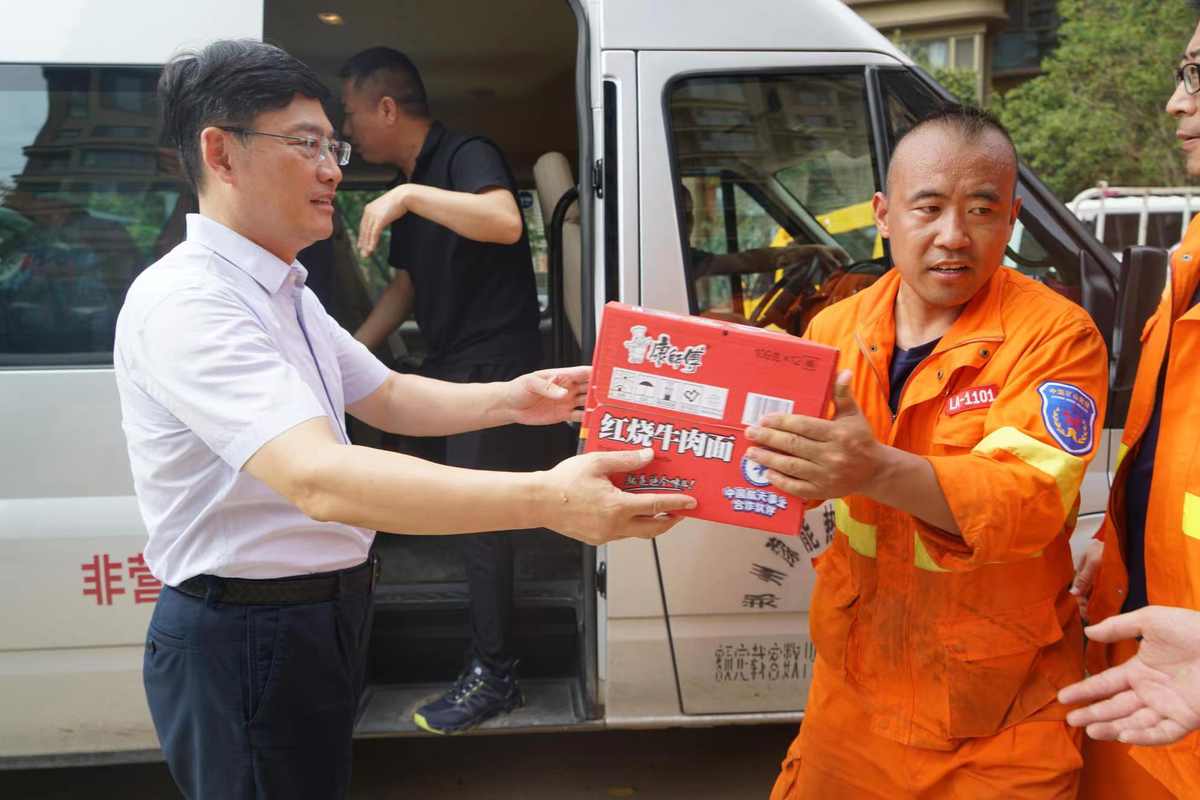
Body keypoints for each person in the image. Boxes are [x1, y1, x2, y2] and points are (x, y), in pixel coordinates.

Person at [113, 39, 693, 800]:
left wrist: (512, 398)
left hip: (317, 618)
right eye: (307, 145)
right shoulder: (191, 303)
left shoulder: (282, 289)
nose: (333, 169)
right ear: (220, 153)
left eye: (334, 144)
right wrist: (548, 499)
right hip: (247, 631)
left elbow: (384, 394)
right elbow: (321, 479)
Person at [750, 105, 1109, 798]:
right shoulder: (834, 327)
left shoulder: (1057, 338)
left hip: (1003, 714)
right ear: (883, 214)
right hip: (851, 697)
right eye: (929, 207)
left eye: (981, 210)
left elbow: (1026, 502)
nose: (954, 236)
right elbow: (795, 468)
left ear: (1012, 219)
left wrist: (872, 469)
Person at [336, 46, 546, 735]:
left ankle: (498, 675)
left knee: (479, 519)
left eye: (351, 114)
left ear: (388, 108)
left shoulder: (463, 154)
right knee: (458, 513)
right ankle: (486, 659)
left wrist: (407, 196)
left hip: (496, 365)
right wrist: (348, 355)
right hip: (451, 362)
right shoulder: (417, 178)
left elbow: (505, 221)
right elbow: (410, 286)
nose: (348, 131)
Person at [1062, 4, 1200, 795]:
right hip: (1146, 690)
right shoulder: (1186, 264)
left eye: (1195, 76)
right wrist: (1121, 548)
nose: (1177, 102)